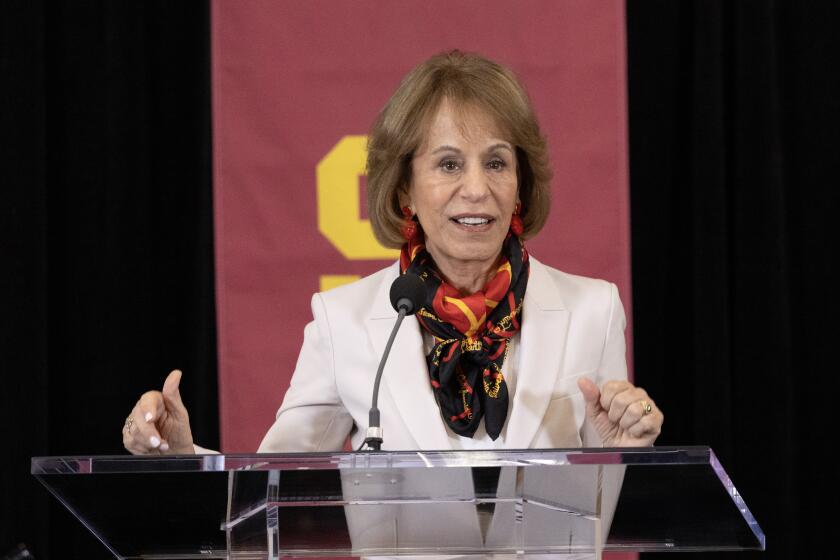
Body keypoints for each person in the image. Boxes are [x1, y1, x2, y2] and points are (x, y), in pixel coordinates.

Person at [122, 50, 663, 456]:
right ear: (405, 190)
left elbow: (609, 499)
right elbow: (274, 487)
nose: (476, 189)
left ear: (521, 184)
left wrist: (627, 446)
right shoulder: (346, 322)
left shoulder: (594, 310)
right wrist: (183, 454)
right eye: (449, 164)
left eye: (496, 163)